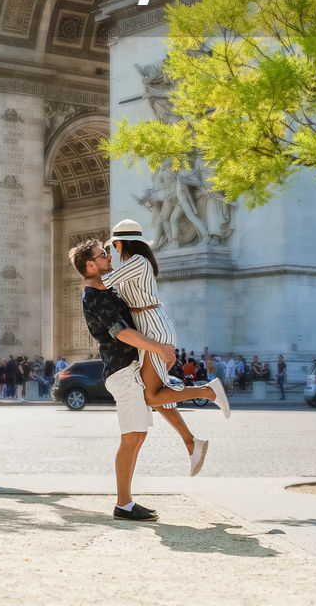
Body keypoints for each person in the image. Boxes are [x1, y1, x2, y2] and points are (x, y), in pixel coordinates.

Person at [103, 217, 230, 477]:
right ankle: (191, 442)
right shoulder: (135, 263)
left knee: (151, 396)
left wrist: (88, 275)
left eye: (114, 245)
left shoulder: (137, 262)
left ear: (122, 243)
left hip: (153, 331)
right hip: (151, 330)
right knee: (157, 395)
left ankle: (208, 392)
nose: (113, 251)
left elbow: (105, 283)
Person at [69, 236, 178, 522]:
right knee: (131, 437)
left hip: (130, 368)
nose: (109, 257)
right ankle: (124, 504)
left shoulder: (106, 289)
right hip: (121, 371)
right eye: (103, 254)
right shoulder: (94, 296)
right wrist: (160, 348)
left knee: (138, 435)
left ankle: (126, 501)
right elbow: (121, 333)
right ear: (90, 265)